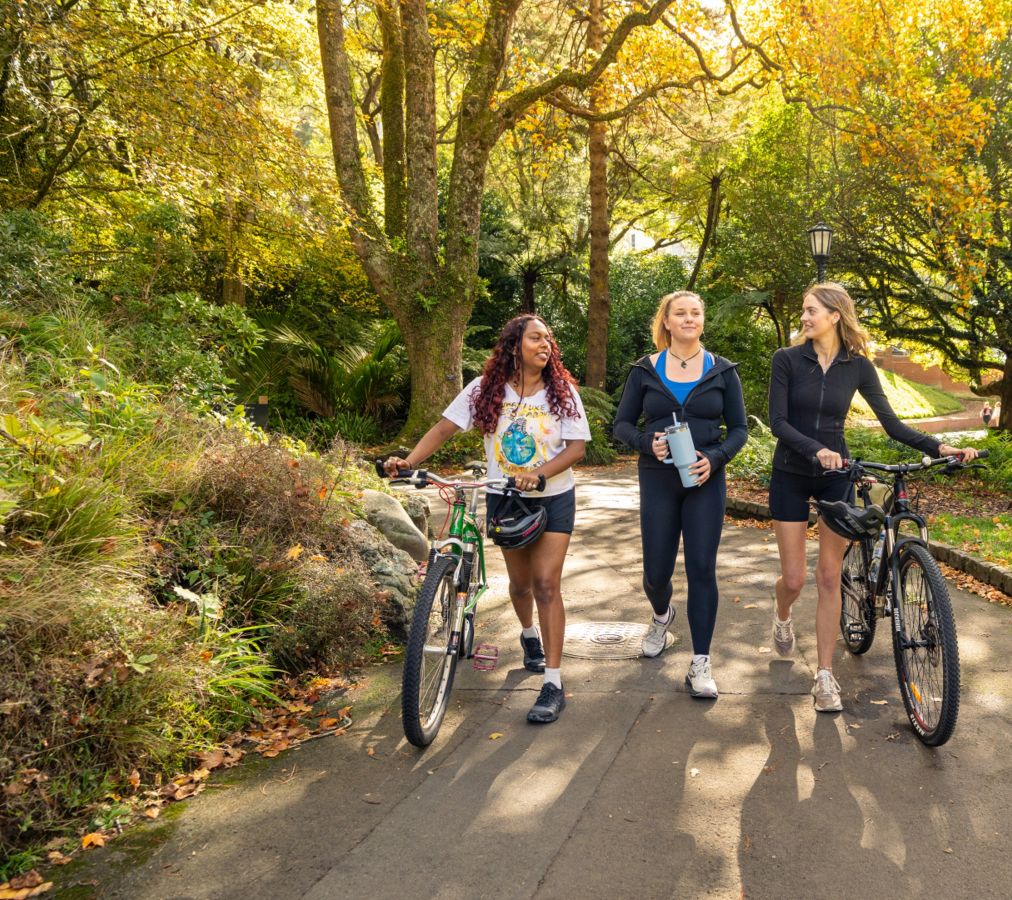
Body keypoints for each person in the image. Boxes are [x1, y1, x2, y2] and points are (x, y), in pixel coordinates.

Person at [767, 283, 979, 712]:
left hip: (837, 477)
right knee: (794, 579)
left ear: (835, 315)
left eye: (811, 311)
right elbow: (778, 422)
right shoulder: (787, 360)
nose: (804, 318)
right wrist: (816, 450)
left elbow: (893, 425)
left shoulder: (858, 366)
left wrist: (940, 448)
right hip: (791, 472)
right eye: (804, 311)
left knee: (829, 577)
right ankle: (782, 617)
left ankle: (824, 676)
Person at [383, 314, 590, 724]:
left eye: (549, 339)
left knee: (547, 584)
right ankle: (529, 636)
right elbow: (445, 428)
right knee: (520, 585)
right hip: (503, 499)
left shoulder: (561, 391)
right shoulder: (484, 390)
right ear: (514, 346)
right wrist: (408, 461)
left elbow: (577, 448)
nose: (545, 345)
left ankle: (552, 682)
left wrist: (540, 473)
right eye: (535, 338)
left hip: (553, 498)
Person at [613, 291, 748, 698]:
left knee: (702, 569)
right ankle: (661, 615)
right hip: (658, 478)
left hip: (705, 480)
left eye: (696, 313)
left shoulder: (722, 371)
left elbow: (739, 429)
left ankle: (700, 663)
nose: (689, 319)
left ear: (702, 322)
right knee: (656, 573)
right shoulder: (645, 370)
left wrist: (716, 457)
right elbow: (621, 424)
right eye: (680, 313)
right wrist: (644, 442)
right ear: (667, 322)